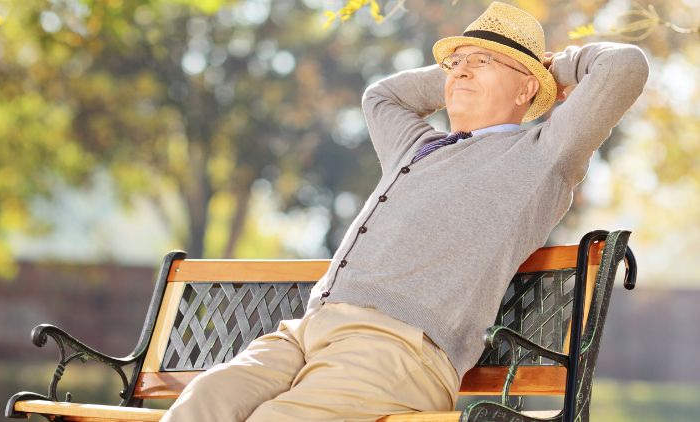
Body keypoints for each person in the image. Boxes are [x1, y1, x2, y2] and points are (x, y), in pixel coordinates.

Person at [161, 2, 649, 421]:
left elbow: (625, 66)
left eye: (484, 61)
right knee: (204, 401)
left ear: (526, 90)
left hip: (399, 351)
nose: (460, 70)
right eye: (456, 62)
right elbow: (381, 96)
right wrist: (467, 73)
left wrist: (551, 69)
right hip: (306, 332)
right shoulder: (416, 145)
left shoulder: (541, 155)